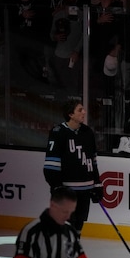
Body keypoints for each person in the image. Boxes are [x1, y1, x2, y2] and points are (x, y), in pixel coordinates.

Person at [43, 99, 102, 235]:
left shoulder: (88, 132)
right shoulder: (58, 132)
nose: (84, 112)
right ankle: (62, 254)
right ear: (70, 114)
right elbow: (51, 164)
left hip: (85, 190)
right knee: (65, 227)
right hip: (67, 191)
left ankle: (74, 254)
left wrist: (97, 184)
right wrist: (57, 186)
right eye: (80, 110)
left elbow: (92, 161)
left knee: (78, 227)